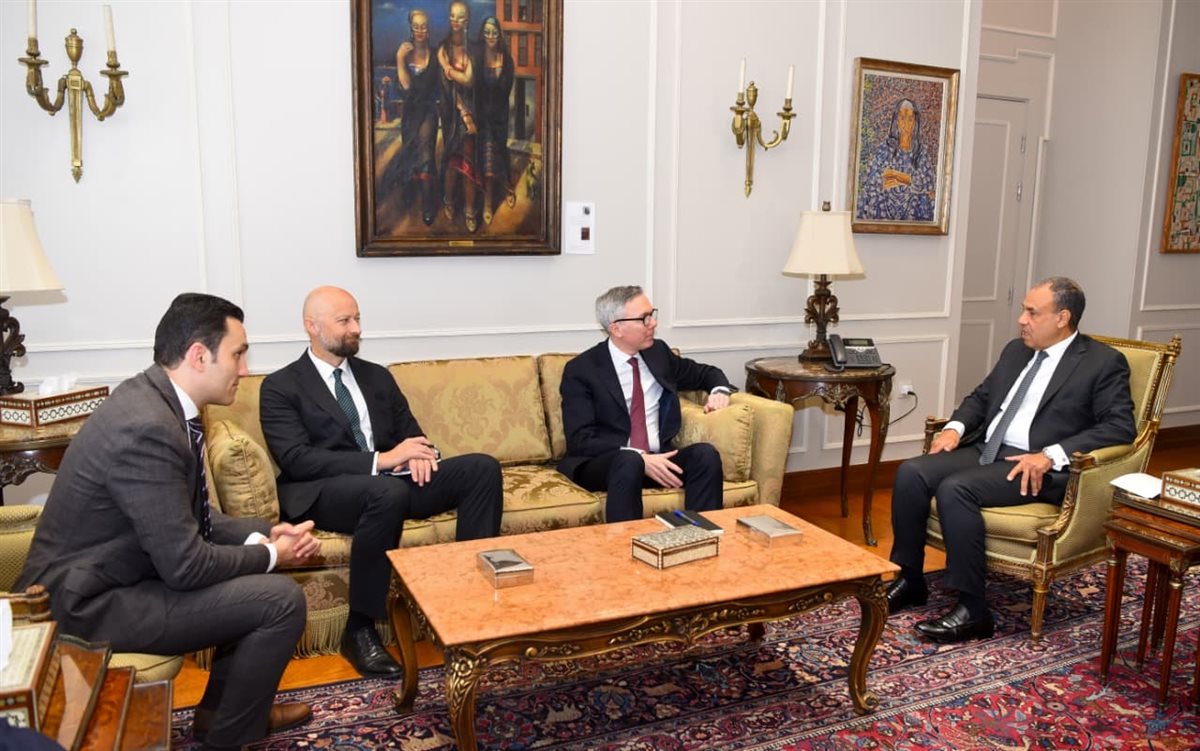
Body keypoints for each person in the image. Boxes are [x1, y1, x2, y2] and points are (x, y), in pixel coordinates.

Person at [15, 293, 320, 751]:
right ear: (199, 355)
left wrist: (261, 535)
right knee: (279, 600)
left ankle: (224, 715)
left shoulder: (155, 401)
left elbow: (187, 517)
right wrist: (274, 555)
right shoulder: (149, 427)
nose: (244, 370)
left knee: (261, 583)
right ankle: (229, 738)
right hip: (84, 606)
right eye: (238, 354)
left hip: (117, 579)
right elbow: (187, 566)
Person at [259, 286, 503, 677]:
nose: (356, 328)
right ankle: (359, 629)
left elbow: (411, 434)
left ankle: (470, 604)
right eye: (344, 321)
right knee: (385, 490)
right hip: (324, 491)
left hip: (390, 487)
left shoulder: (377, 377)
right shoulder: (280, 386)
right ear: (312, 326)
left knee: (481, 468)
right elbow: (298, 460)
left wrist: (421, 454)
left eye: (357, 319)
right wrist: (382, 460)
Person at [886, 277, 1136, 643]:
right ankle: (909, 579)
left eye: (1032, 313)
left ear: (1062, 317)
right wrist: (955, 428)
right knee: (911, 473)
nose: (1022, 320)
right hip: (988, 449)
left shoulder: (1102, 362)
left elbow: (1120, 426)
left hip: (1034, 466)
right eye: (1023, 310)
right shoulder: (1016, 350)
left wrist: (1050, 455)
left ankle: (973, 609)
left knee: (957, 489)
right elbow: (981, 396)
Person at [558, 285, 734, 523]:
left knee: (705, 455)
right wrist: (640, 456)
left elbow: (706, 373)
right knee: (629, 461)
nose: (653, 323)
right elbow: (581, 439)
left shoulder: (658, 353)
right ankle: (624, 543)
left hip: (658, 459)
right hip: (604, 463)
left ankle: (699, 535)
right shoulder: (582, 369)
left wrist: (719, 391)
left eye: (652, 314)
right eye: (644, 318)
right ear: (616, 328)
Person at [383, 8, 441, 226]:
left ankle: (428, 204)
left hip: (428, 111)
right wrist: (399, 59)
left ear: (428, 29)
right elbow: (406, 88)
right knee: (410, 150)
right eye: (416, 26)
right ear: (411, 28)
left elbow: (439, 87)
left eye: (424, 26)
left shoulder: (436, 54)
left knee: (426, 154)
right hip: (410, 113)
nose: (420, 31)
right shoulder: (404, 54)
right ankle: (409, 192)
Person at [855, 98, 936, 222]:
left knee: (924, 199)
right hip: (884, 205)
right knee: (870, 198)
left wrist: (895, 175)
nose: (906, 124)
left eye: (910, 119)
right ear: (896, 120)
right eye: (902, 118)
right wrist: (909, 181)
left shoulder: (921, 151)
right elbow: (871, 181)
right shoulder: (885, 148)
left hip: (914, 207)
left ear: (915, 122)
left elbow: (928, 184)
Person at [437, 0, 480, 232]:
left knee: (469, 161)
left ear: (467, 20)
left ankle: (470, 210)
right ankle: (448, 200)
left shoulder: (473, 48)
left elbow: (470, 80)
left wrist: (448, 68)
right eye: (452, 15)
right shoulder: (442, 49)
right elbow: (448, 89)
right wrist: (464, 114)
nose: (455, 20)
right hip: (453, 115)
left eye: (460, 16)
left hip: (473, 112)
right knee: (453, 161)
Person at [473, 16, 515, 226]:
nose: (490, 36)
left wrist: (495, 112)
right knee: (488, 159)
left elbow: (505, 91)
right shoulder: (477, 57)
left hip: (499, 116)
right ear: (483, 34)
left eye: (494, 32)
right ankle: (488, 204)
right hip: (482, 117)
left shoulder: (507, 60)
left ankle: (507, 186)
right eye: (487, 32)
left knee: (501, 152)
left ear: (499, 35)